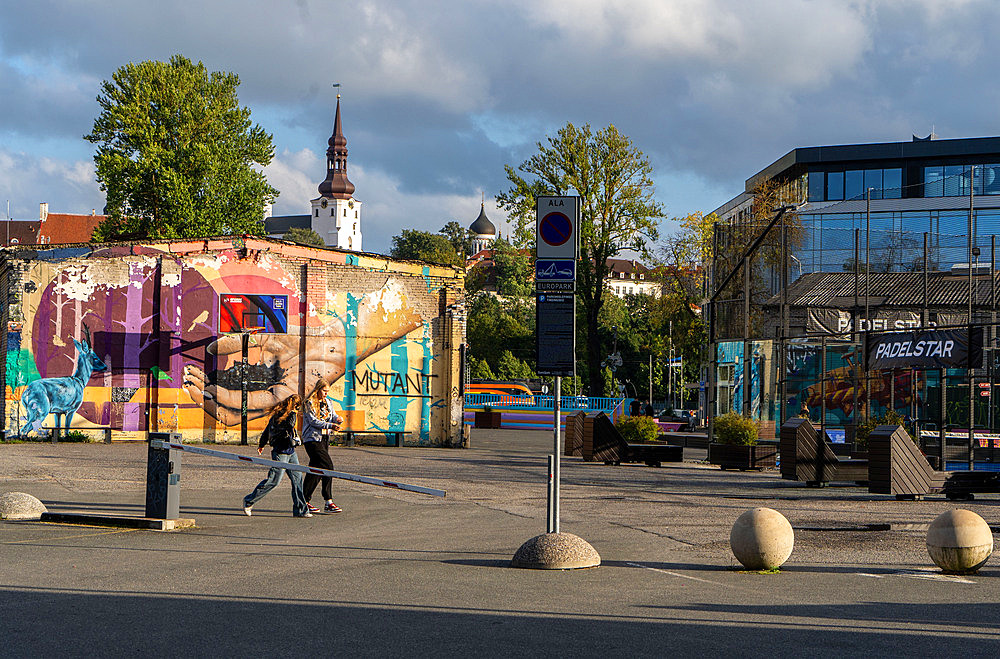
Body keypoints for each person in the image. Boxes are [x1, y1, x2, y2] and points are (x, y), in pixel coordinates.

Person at [241, 394, 312, 518]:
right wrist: (293, 415)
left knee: (297, 479)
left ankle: (301, 509)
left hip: (291, 452)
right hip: (280, 452)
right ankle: (249, 500)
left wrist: (262, 444)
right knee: (274, 480)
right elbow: (283, 427)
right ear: (295, 406)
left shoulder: (281, 414)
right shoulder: (286, 416)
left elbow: (267, 430)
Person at [302, 379, 344, 514]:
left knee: (316, 469)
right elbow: (314, 421)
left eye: (327, 392)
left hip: (325, 438)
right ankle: (328, 501)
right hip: (312, 439)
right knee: (328, 466)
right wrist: (331, 425)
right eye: (324, 391)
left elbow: (332, 416)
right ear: (318, 389)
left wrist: (337, 419)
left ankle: (304, 500)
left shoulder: (328, 402)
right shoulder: (309, 403)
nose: (326, 394)